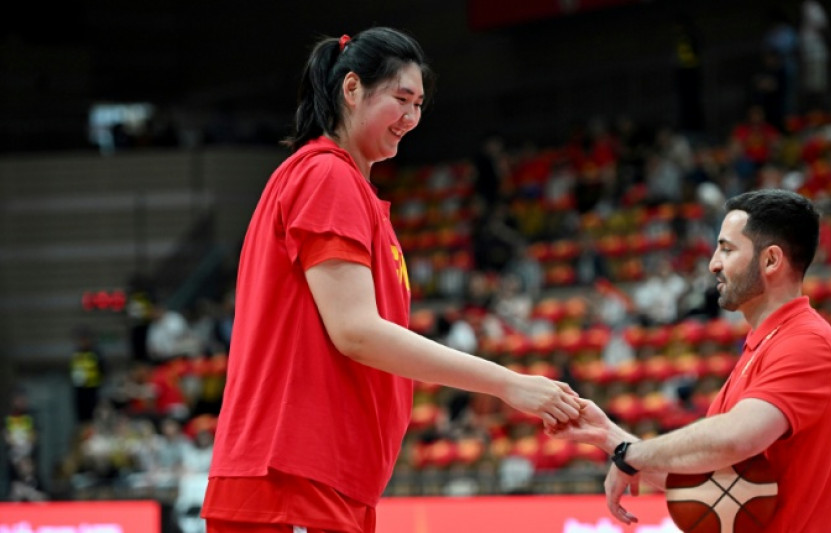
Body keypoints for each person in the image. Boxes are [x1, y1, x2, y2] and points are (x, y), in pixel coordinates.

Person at [201, 27, 581, 533]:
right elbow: (356, 331)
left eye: (419, 104)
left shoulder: (349, 188)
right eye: (400, 98)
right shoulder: (326, 176)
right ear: (352, 89)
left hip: (324, 476)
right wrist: (509, 384)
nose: (411, 118)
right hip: (292, 476)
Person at [548, 189, 831, 531]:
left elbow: (736, 438)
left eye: (727, 248)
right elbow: (702, 479)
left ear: (770, 260)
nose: (713, 263)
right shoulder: (764, 345)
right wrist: (610, 437)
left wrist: (632, 456)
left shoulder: (807, 343)